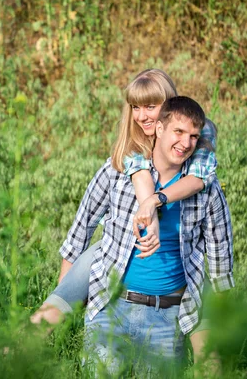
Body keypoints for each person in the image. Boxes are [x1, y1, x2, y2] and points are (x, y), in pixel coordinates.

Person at [30, 69, 218, 358]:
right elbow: (80, 231)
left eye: (151, 107)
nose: (142, 116)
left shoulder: (196, 148)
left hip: (174, 279)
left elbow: (204, 158)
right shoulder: (125, 160)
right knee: (55, 307)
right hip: (111, 256)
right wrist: (66, 296)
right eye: (135, 107)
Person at [61, 96, 233, 374]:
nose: (186, 143)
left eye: (193, 136)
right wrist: (65, 305)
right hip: (111, 307)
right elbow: (79, 234)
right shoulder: (118, 172)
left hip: (166, 317)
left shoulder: (206, 188)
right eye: (178, 132)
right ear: (160, 129)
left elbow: (220, 262)